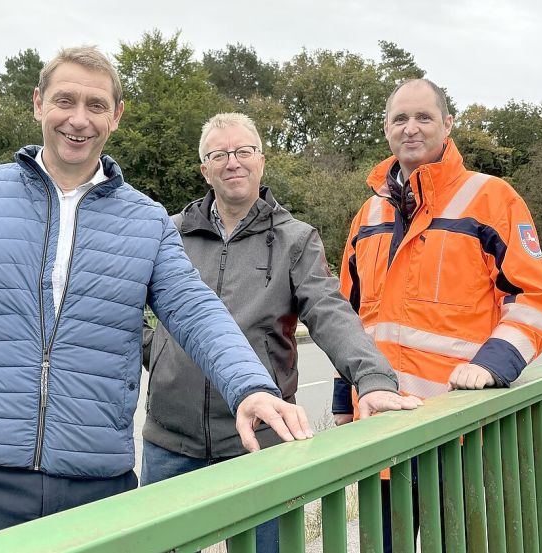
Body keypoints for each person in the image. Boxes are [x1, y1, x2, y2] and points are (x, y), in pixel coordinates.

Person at [0, 46, 314, 552]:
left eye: (96, 105)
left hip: (98, 485)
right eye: (65, 100)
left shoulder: (145, 220)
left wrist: (252, 387)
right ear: (38, 103)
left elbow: (196, 312)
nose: (78, 120)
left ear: (116, 116)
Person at [140, 113, 422, 553]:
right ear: (204, 169)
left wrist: (373, 378)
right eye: (220, 154)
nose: (233, 162)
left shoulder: (296, 240)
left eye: (243, 152)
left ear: (261, 161)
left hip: (261, 442)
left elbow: (331, 312)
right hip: (170, 441)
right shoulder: (168, 233)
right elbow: (118, 302)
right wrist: (154, 347)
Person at [331, 79, 542, 551]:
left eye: (424, 118)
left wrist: (491, 365)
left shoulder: (492, 198)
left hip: (458, 434)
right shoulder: (368, 214)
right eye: (400, 119)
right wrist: (341, 404)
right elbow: (346, 317)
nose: (411, 129)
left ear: (447, 124)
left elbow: (532, 299)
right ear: (387, 129)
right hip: (382, 431)